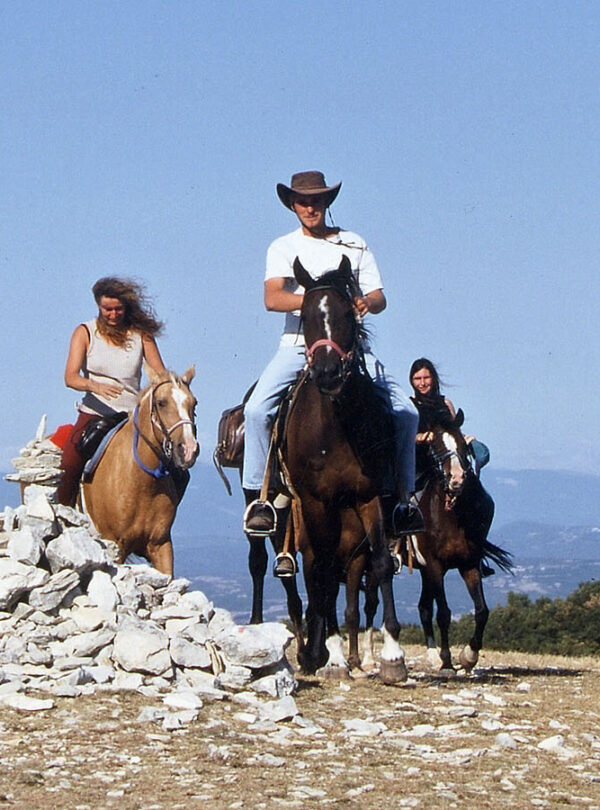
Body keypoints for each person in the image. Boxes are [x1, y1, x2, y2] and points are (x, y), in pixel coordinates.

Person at [242, 170, 423, 555]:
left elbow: (378, 296)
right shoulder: (281, 247)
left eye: (317, 200)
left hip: (349, 346)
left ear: (327, 203)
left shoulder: (354, 244)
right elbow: (273, 298)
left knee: (406, 413)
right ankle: (261, 498)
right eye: (303, 201)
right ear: (292, 205)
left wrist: (362, 303)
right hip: (298, 344)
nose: (310, 207)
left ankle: (404, 501)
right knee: (257, 410)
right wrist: (321, 302)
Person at [57, 277, 166, 507]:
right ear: (99, 306)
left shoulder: (141, 335)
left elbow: (159, 373)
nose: (113, 314)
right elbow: (71, 377)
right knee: (70, 461)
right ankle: (63, 512)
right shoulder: (85, 332)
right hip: (96, 412)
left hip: (130, 415)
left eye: (118, 309)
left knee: (172, 464)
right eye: (107, 309)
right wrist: (94, 386)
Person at [409, 357, 489, 472]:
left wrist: (464, 438)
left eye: (426, 378)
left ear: (433, 379)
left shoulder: (445, 403)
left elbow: (454, 431)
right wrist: (419, 437)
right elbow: (402, 437)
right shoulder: (409, 406)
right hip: (421, 462)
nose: (422, 383)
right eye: (417, 378)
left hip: (448, 459)